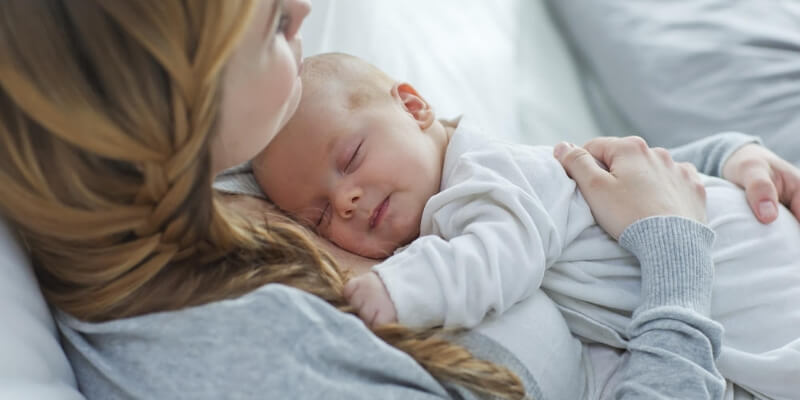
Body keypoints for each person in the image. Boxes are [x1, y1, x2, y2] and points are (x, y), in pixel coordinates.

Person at [0, 1, 795, 399]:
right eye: (273, 24)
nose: (307, 6)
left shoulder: (244, 168)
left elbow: (557, 175)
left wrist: (720, 160)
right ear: (162, 92)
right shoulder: (245, 353)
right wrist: (676, 261)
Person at [254, 53, 800, 399]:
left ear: (414, 107)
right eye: (320, 216)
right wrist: (726, 153)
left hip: (753, 272)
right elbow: (604, 172)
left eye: (350, 157)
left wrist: (397, 289)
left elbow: (500, 253)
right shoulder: (492, 172)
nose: (345, 200)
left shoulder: (481, 177)